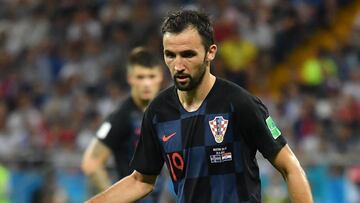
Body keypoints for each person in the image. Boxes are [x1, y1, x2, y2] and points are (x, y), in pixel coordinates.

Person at [85, 9, 313, 203]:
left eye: (188, 55)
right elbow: (140, 180)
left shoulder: (240, 103)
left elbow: (289, 167)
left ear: (210, 52)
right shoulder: (158, 112)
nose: (178, 65)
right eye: (170, 55)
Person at [81, 47, 165, 202]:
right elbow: (91, 162)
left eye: (151, 76)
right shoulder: (122, 116)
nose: (146, 83)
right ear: (130, 78)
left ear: (160, 77)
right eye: (140, 77)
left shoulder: (163, 113)